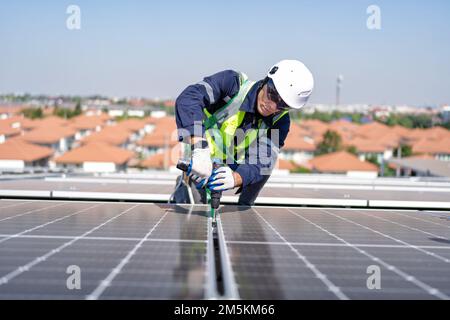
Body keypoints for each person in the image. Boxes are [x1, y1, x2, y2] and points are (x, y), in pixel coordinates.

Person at [172, 60, 314, 206]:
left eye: (283, 105)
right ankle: (184, 185)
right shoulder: (232, 84)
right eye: (272, 95)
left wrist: (236, 178)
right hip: (202, 158)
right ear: (266, 80)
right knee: (195, 212)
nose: (272, 106)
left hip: (238, 165)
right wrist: (200, 150)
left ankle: (244, 210)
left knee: (265, 167)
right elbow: (188, 99)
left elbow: (262, 160)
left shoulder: (280, 121)